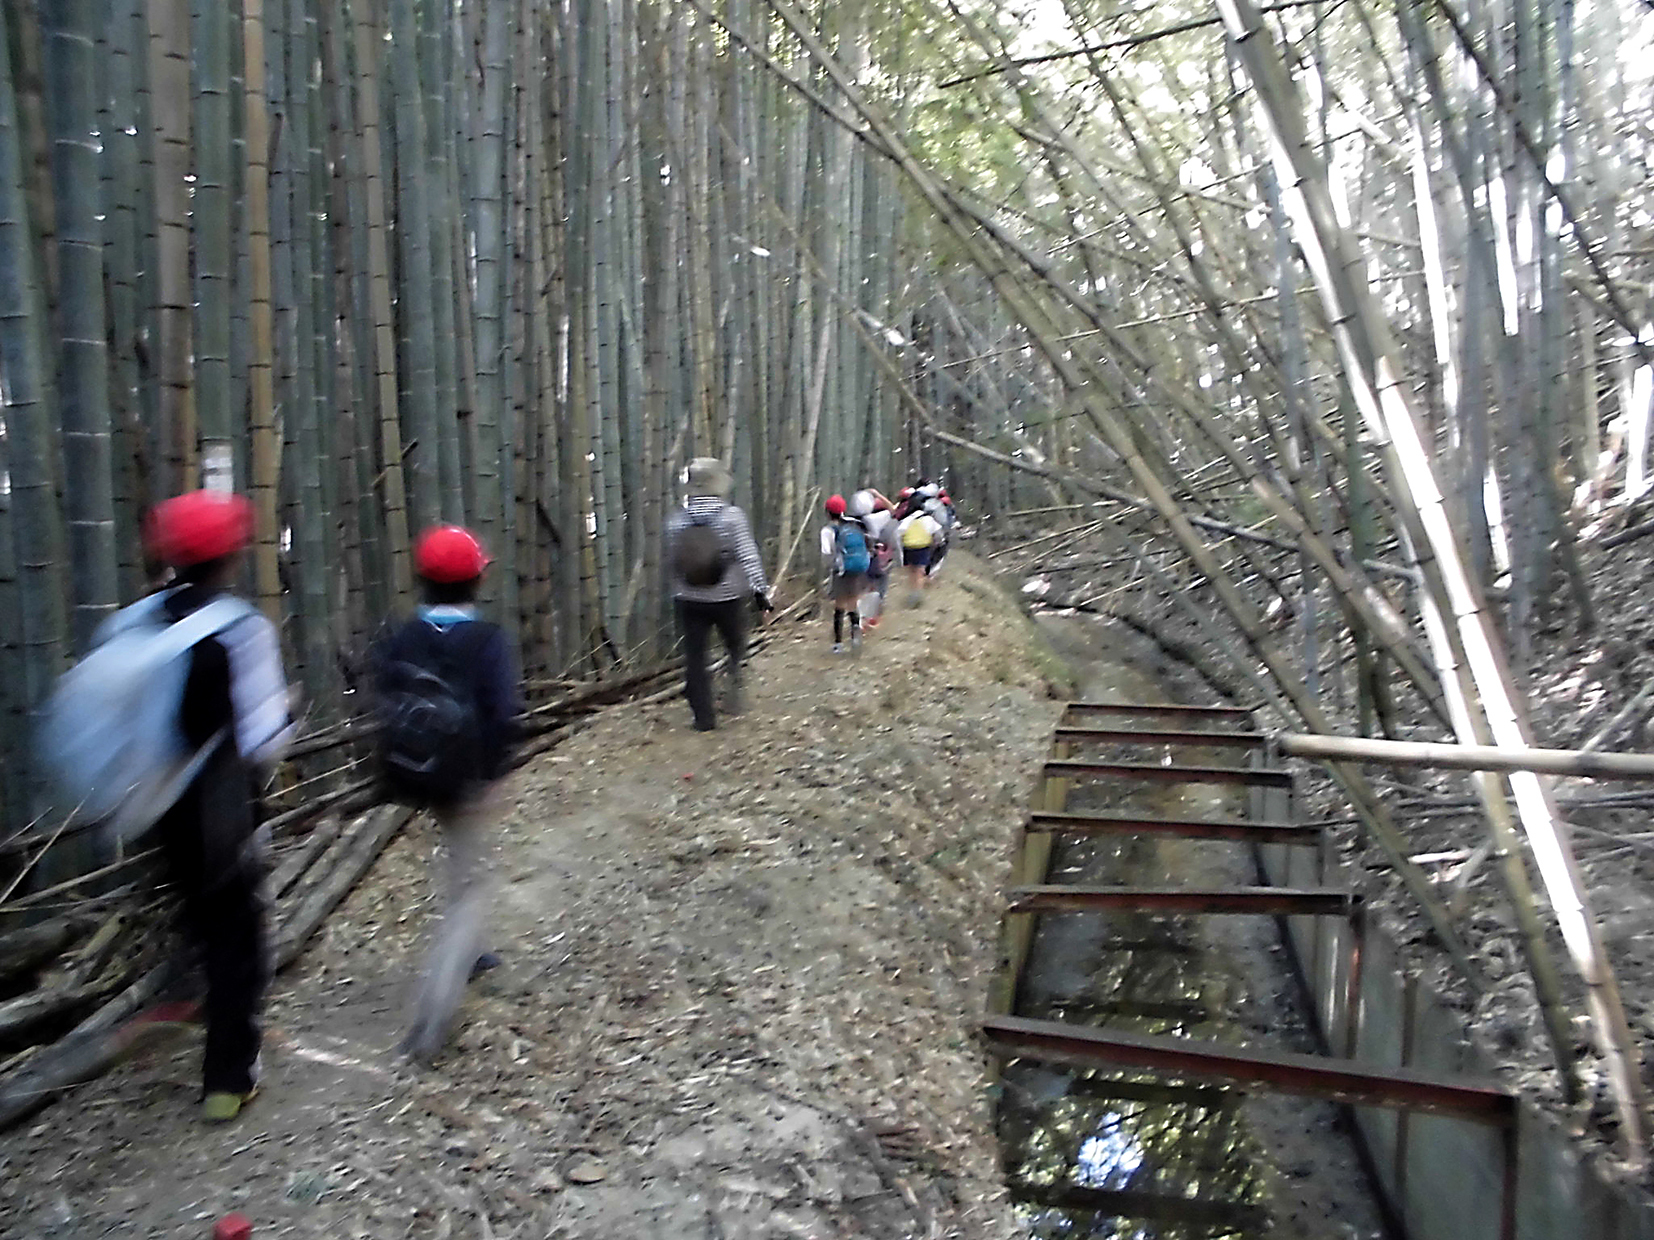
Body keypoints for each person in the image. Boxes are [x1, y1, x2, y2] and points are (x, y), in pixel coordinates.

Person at [142, 490, 294, 1122]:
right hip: (223, 811)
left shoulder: (141, 622)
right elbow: (265, 737)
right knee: (239, 938)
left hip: (157, 805)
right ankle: (228, 1079)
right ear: (230, 556)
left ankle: (173, 1007)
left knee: (194, 915)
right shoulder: (240, 629)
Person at [374, 525, 522, 1064]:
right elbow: (504, 714)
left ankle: (476, 952)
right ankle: (430, 1024)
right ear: (477, 580)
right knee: (470, 887)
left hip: (414, 771)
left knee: (459, 865)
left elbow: (386, 695)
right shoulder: (486, 641)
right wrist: (496, 776)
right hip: (464, 777)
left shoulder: (403, 636)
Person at [666, 457, 772, 731]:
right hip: (727, 598)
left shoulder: (675, 520)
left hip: (688, 599)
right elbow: (748, 556)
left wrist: (676, 591)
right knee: (736, 645)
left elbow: (671, 562)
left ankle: (703, 717)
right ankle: (733, 690)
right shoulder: (731, 517)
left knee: (695, 658)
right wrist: (760, 593)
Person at [821, 495, 872, 653]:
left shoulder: (828, 530)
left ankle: (838, 644)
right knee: (853, 602)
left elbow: (826, 553)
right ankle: (855, 633)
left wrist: (831, 566)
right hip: (859, 567)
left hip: (841, 570)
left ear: (827, 512)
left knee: (839, 605)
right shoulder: (854, 524)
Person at [848, 489, 899, 629]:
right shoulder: (874, 519)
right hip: (870, 560)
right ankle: (872, 620)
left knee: (859, 590)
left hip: (851, 561)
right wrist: (877, 494)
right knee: (879, 587)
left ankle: (858, 621)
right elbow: (894, 510)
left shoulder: (846, 521)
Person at [897, 502, 944, 605]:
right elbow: (938, 532)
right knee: (920, 571)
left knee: (912, 572)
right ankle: (917, 594)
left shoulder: (908, 519)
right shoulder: (929, 519)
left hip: (908, 548)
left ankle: (912, 591)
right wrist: (937, 542)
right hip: (922, 548)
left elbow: (899, 532)